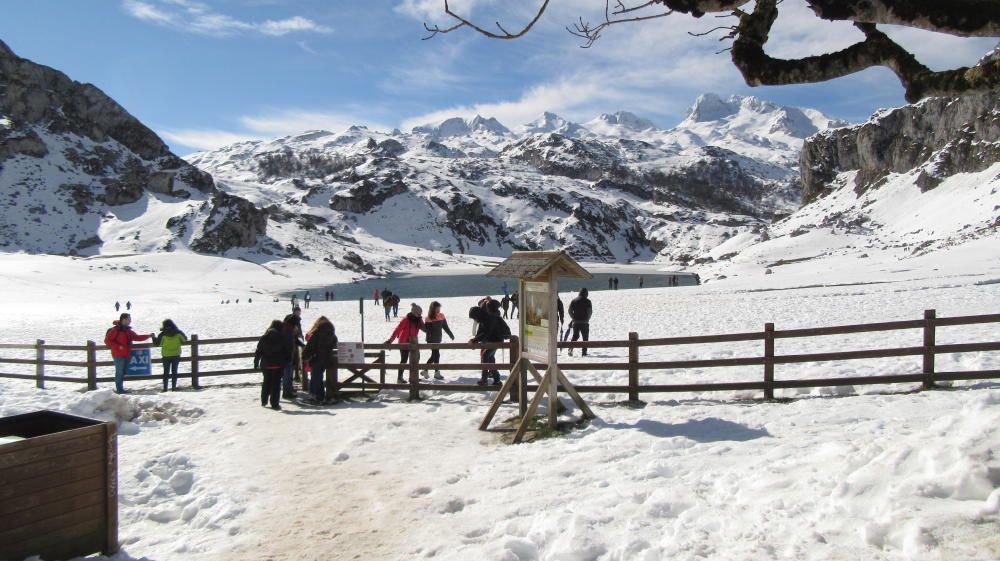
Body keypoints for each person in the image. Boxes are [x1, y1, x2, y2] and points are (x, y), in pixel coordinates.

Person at [104, 313, 152, 394]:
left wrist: (148, 336)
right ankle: (119, 390)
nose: (130, 321)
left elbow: (137, 337)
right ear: (124, 319)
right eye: (129, 319)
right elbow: (107, 341)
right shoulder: (115, 330)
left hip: (126, 354)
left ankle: (120, 389)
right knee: (119, 372)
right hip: (118, 354)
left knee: (123, 372)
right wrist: (118, 346)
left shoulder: (128, 330)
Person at [470, 300, 511, 385]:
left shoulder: (489, 317)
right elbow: (480, 331)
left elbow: (486, 332)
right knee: (490, 360)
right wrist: (475, 341)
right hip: (493, 341)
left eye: (474, 317)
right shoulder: (484, 319)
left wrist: (474, 341)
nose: (475, 319)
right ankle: (497, 380)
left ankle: (484, 380)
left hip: (496, 341)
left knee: (485, 357)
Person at [254, 320, 290, 410]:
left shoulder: (264, 337)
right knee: (276, 384)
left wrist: (256, 362)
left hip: (266, 364)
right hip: (278, 364)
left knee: (266, 382)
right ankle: (274, 403)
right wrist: (286, 362)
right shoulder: (282, 337)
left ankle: (264, 400)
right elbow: (286, 352)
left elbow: (259, 351)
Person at [386, 303, 425, 384]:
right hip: (403, 342)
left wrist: (430, 329)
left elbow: (424, 328)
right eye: (419, 314)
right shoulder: (406, 319)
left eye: (420, 314)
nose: (420, 315)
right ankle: (399, 378)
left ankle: (414, 377)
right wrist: (390, 340)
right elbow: (397, 330)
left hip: (414, 343)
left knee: (416, 359)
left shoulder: (419, 320)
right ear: (414, 312)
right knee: (404, 359)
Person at [302, 316, 337, 403]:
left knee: (315, 377)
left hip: (317, 358)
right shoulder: (332, 334)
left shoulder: (317, 333)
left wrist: (305, 355)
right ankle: (323, 396)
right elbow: (335, 344)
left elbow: (311, 346)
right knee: (320, 377)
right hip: (328, 358)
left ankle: (314, 396)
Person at [422, 301, 455, 380]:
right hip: (431, 339)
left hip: (438, 339)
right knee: (436, 355)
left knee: (435, 355)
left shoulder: (441, 316)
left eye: (439, 308)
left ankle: (426, 370)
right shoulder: (428, 318)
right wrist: (428, 331)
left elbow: (445, 326)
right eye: (437, 308)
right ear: (433, 309)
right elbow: (426, 330)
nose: (438, 309)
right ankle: (435, 372)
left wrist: (450, 334)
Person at [153, 319, 187, 392]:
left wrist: (153, 337)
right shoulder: (178, 332)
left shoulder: (163, 334)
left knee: (166, 372)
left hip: (166, 355)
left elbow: (158, 344)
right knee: (174, 371)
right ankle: (173, 388)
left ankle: (165, 388)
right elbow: (185, 340)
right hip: (176, 354)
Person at [281, 309, 305, 399]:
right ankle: (287, 393)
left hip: (288, 355)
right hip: (286, 356)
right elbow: (289, 342)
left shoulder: (289, 330)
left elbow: (294, 339)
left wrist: (302, 344)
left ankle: (289, 390)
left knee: (289, 374)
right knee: (287, 375)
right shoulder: (287, 331)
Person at [568, 288, 593, 356]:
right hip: (584, 322)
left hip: (576, 322)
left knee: (575, 336)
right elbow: (590, 312)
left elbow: (570, 311)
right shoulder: (588, 301)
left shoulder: (574, 300)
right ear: (586, 293)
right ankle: (584, 352)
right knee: (585, 338)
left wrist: (573, 318)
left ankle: (570, 348)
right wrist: (587, 318)